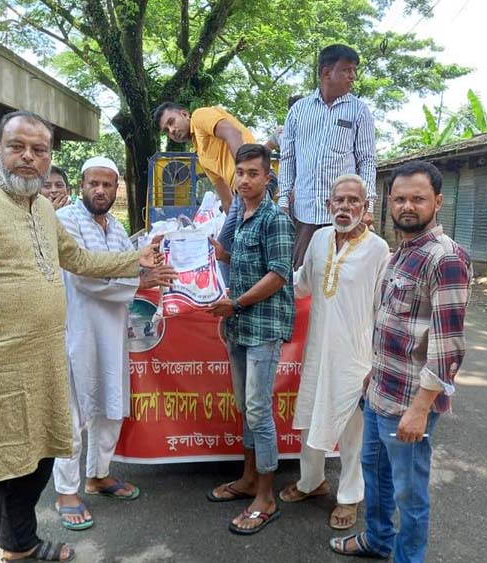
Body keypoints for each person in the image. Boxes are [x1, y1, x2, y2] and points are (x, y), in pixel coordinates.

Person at [0, 110, 161, 563]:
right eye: (18, 147)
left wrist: (136, 262)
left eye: (39, 150)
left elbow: (76, 257)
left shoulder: (40, 206)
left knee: (36, 464)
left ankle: (20, 544)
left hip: (45, 364)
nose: (28, 158)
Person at [330, 161, 472, 562]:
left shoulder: (444, 259)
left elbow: (448, 348)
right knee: (375, 475)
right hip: (380, 392)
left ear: (438, 202)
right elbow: (396, 323)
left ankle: (407, 558)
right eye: (400, 198)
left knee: (410, 493)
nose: (407, 206)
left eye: (418, 198)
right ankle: (377, 540)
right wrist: (374, 371)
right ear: (389, 202)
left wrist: (420, 409)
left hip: (410, 404)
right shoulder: (400, 254)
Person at [52, 157, 176, 530]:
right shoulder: (66, 221)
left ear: (116, 188)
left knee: (110, 403)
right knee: (73, 412)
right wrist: (142, 281)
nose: (101, 191)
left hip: (113, 330)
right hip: (78, 329)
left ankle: (98, 475)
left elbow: (132, 265)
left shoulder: (117, 227)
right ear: (81, 184)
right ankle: (66, 491)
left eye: (108, 185)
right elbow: (84, 276)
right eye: (94, 184)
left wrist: (148, 269)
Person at [279, 174, 389, 531]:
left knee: (352, 429)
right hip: (318, 350)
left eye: (352, 201)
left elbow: (382, 308)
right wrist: (264, 286)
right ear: (329, 205)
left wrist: (377, 361)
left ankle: (349, 497)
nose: (345, 207)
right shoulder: (320, 238)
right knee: (311, 416)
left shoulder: (378, 249)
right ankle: (311, 482)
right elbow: (303, 283)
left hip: (356, 355)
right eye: (338, 200)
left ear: (365, 206)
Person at [207, 144, 294, 535]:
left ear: (267, 177)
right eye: (239, 172)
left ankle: (266, 497)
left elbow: (278, 275)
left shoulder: (275, 218)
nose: (244, 180)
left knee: (258, 410)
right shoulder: (240, 215)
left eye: (252, 173)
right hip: (239, 326)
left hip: (262, 327)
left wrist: (236, 304)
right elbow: (227, 259)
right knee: (245, 406)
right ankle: (246, 480)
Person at [278, 44, 378, 269]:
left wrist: (368, 206)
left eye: (354, 70)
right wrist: (283, 201)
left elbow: (367, 160)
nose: (353, 76)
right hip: (305, 213)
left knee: (343, 276)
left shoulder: (359, 111)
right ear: (326, 73)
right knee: (301, 275)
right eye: (347, 70)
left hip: (345, 214)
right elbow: (288, 158)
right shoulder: (298, 111)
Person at [152, 103, 276, 261]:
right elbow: (225, 197)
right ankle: (235, 284)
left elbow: (233, 133)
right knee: (223, 248)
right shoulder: (201, 155)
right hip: (241, 197)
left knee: (251, 245)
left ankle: (267, 279)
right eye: (167, 131)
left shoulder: (199, 116)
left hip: (256, 183)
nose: (172, 131)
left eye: (171, 122)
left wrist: (247, 176)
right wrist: (231, 221)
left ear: (184, 114)